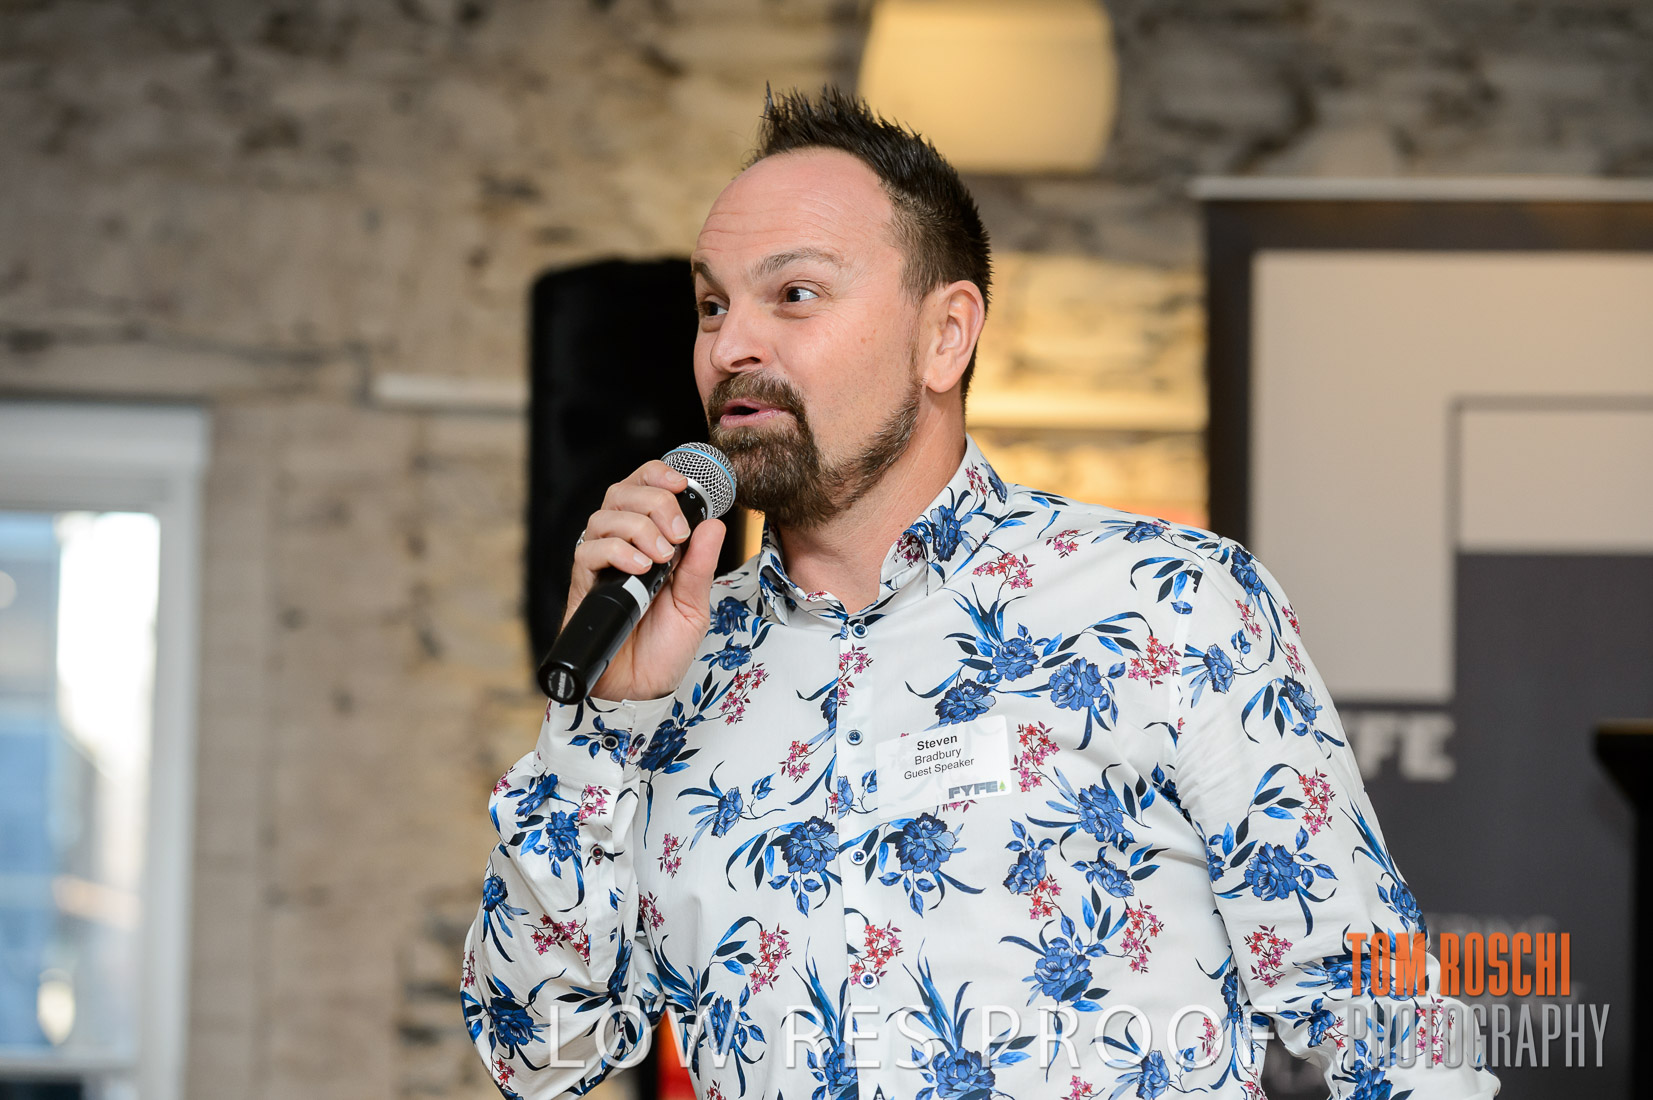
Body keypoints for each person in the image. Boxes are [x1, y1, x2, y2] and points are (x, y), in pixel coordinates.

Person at [462, 87, 1498, 1100]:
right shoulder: (677, 668)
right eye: (711, 305)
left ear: (945, 335)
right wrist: (598, 725)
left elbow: (1388, 1022)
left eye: (796, 294)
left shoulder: (1172, 606)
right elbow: (540, 1052)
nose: (732, 344)